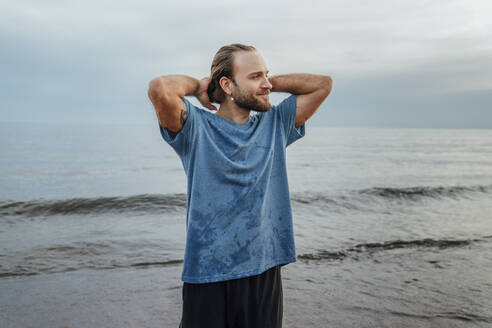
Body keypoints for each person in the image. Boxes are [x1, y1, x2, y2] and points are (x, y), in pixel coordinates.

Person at [147, 43, 332, 328]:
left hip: (263, 270)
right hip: (207, 274)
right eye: (256, 76)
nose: (267, 84)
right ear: (227, 85)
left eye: (266, 75)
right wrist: (198, 86)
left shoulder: (275, 124)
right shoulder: (195, 128)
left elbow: (322, 85)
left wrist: (265, 83)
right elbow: (160, 88)